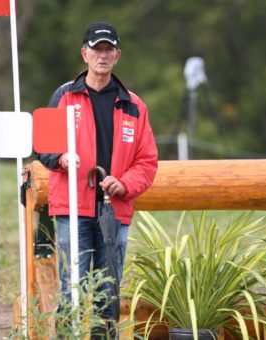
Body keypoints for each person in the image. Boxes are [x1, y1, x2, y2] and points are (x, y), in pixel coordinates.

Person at [38, 22, 158, 337]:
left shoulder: (135, 105)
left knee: (108, 292)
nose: (102, 55)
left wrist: (125, 184)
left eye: (108, 49)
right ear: (84, 54)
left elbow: (147, 161)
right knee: (71, 289)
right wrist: (61, 159)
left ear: (117, 55)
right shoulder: (64, 96)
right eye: (96, 49)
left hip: (113, 212)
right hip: (72, 209)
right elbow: (42, 146)